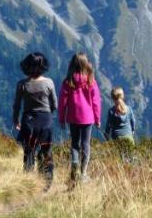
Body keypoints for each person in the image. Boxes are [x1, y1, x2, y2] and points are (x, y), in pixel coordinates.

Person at [12, 52, 56, 188]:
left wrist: (15, 119)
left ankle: (28, 183)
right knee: (46, 151)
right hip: (45, 121)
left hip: (29, 121)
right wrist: (48, 114)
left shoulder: (22, 84)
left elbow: (17, 105)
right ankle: (47, 181)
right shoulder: (49, 83)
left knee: (29, 151)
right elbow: (55, 104)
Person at [58, 52, 101, 185]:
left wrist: (62, 118)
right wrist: (97, 118)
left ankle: (74, 167)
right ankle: (83, 173)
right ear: (85, 64)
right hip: (88, 118)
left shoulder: (68, 81)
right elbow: (96, 102)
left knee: (75, 144)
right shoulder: (90, 81)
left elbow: (62, 101)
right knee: (85, 144)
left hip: (73, 117)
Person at [103, 87, 135, 157]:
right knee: (130, 157)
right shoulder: (129, 109)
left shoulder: (111, 111)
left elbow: (108, 125)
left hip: (117, 138)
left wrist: (106, 134)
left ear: (112, 98)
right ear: (122, 96)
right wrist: (132, 130)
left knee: (120, 158)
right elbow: (133, 121)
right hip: (129, 137)